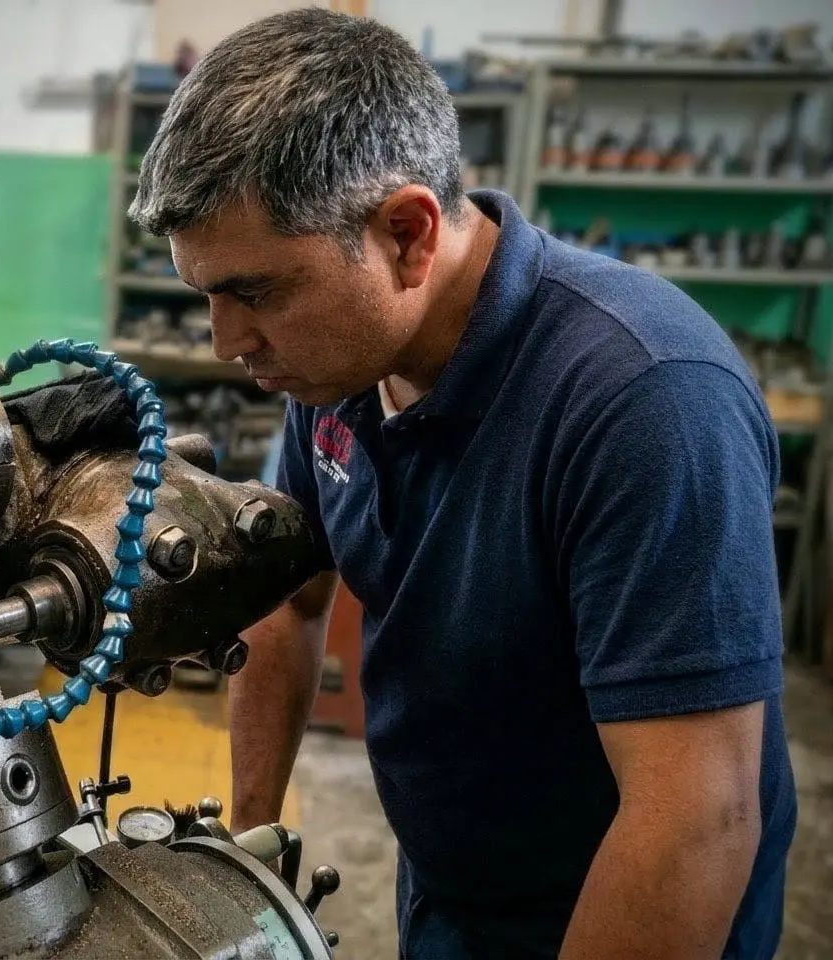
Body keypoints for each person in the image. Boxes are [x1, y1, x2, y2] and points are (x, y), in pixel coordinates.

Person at [128, 9, 796, 959]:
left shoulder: (646, 401)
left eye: (258, 292)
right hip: (452, 893)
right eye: (207, 295)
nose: (227, 343)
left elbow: (695, 821)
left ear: (407, 232)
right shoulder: (336, 367)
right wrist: (250, 849)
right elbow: (288, 599)